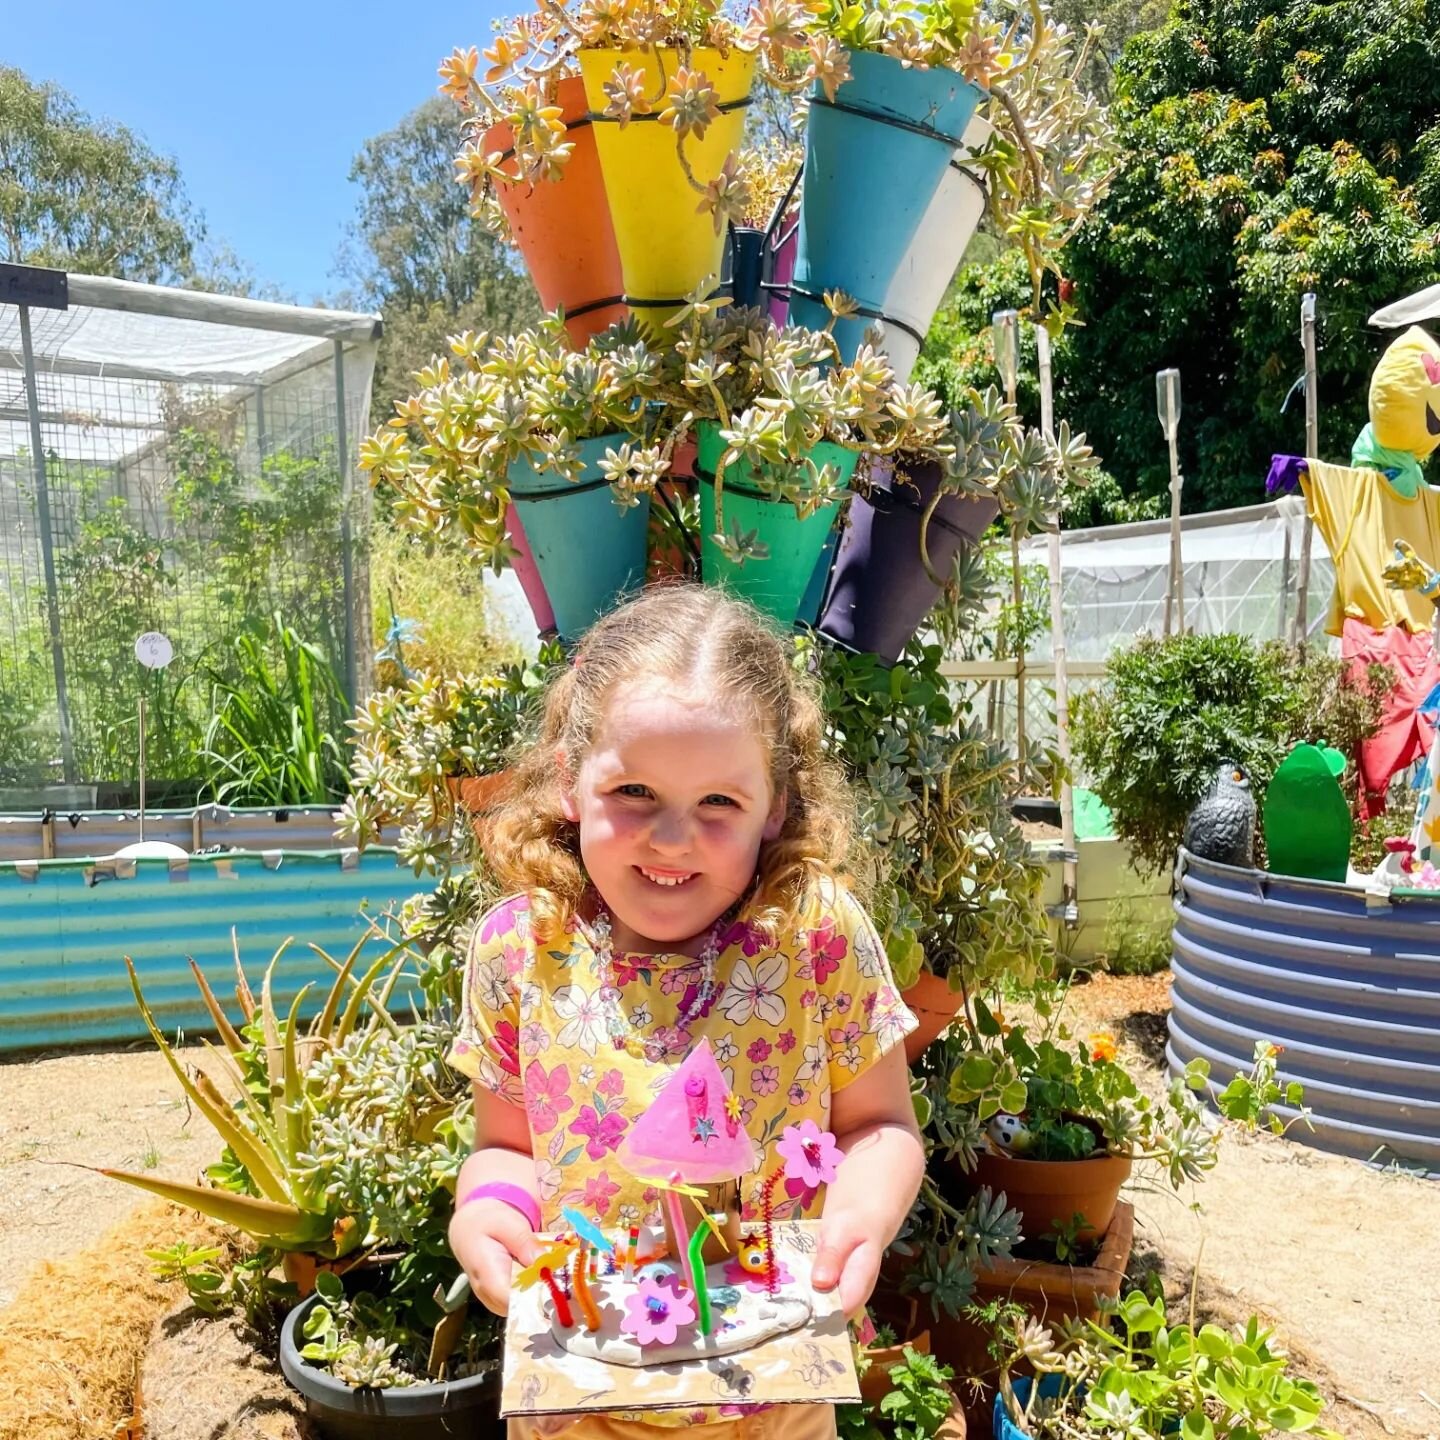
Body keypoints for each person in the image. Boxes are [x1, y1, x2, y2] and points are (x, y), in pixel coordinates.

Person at [446, 585, 925, 1440]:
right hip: (583, 1399)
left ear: (773, 804)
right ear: (568, 780)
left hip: (773, 1401)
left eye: (718, 804)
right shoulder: (522, 948)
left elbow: (881, 1125)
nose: (672, 838)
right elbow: (506, 1146)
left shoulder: (811, 934)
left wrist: (863, 1210)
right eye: (634, 791)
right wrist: (488, 1211)